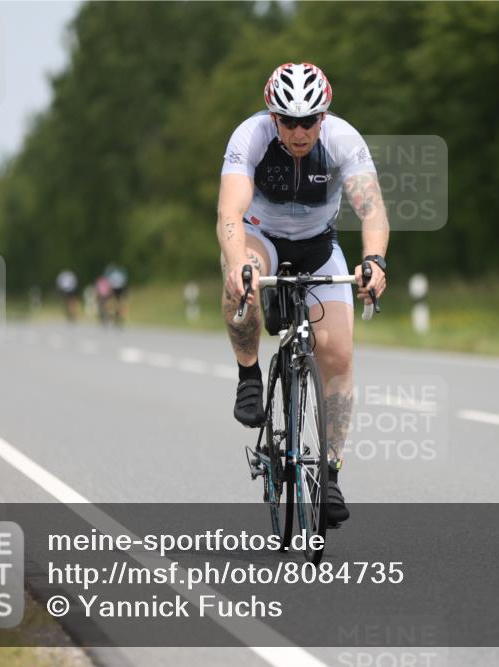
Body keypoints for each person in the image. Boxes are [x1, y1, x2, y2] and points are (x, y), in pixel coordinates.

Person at [217, 62, 389, 525]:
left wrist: (374, 260)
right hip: (260, 236)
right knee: (242, 287)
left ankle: (329, 475)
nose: (298, 131)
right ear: (273, 117)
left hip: (318, 244)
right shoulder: (249, 137)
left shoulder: (343, 140)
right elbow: (230, 211)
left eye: (308, 120)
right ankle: (249, 376)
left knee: (339, 355)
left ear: (323, 116)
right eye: (288, 121)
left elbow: (372, 211)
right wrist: (237, 264)